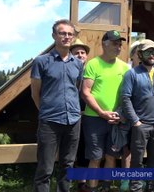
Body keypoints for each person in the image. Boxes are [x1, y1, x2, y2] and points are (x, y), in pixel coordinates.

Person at [30, 19, 83, 192]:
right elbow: (35, 93)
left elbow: (77, 89)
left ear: (73, 37)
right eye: (62, 33)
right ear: (54, 36)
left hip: (73, 120)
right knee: (45, 168)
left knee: (67, 165)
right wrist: (46, 111)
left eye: (69, 34)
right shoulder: (41, 61)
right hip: (49, 122)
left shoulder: (77, 63)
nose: (66, 37)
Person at [81, 30, 129, 192]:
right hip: (94, 119)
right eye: (115, 43)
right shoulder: (93, 64)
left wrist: (121, 115)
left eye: (120, 44)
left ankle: (106, 187)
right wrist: (102, 112)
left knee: (111, 156)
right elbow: (86, 92)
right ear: (104, 44)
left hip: (116, 119)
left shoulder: (124, 67)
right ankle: (91, 188)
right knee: (95, 157)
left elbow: (127, 94)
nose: (118, 47)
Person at [121, 39, 154, 192]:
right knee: (137, 160)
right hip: (141, 124)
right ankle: (135, 188)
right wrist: (135, 121)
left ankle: (151, 187)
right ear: (140, 54)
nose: (152, 55)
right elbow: (125, 98)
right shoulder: (132, 74)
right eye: (148, 52)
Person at [70, 38, 91, 191]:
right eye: (76, 52)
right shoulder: (68, 70)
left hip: (88, 115)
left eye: (82, 52)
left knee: (84, 149)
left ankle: (82, 183)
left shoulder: (91, 71)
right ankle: (66, 181)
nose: (80, 55)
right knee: (69, 151)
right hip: (70, 115)